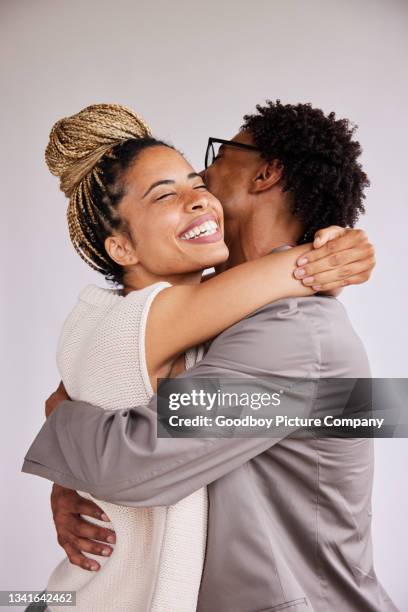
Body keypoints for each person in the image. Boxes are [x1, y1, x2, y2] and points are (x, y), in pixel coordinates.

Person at [22, 101, 392, 611]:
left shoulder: (294, 331)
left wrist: (60, 425)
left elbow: (133, 460)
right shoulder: (229, 312)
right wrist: (72, 482)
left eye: (214, 160)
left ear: (265, 173)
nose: (205, 179)